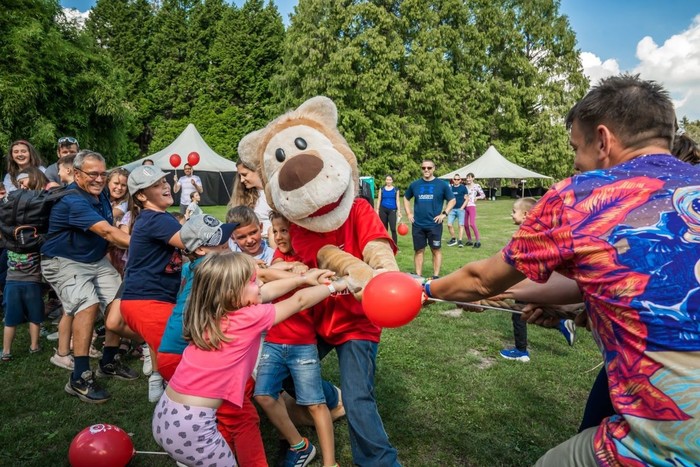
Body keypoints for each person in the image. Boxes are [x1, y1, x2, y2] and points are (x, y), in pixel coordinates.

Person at [425, 74, 700, 465]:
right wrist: (577, 310)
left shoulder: (581, 196)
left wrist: (426, 289)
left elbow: (481, 280)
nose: (574, 162)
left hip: (673, 439)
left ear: (602, 140)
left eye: (575, 147)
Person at [152, 252, 346, 467]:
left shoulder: (211, 314)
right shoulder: (246, 319)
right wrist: (335, 286)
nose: (260, 283)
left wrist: (303, 279)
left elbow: (265, 292)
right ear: (232, 293)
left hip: (166, 415)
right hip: (193, 428)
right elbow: (299, 301)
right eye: (253, 281)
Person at [157, 215, 271, 466]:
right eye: (220, 243)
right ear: (200, 250)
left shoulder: (195, 266)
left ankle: (211, 450)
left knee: (230, 410)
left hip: (174, 351)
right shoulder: (212, 271)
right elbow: (258, 275)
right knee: (241, 415)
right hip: (184, 353)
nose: (227, 246)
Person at [41, 150, 135, 404]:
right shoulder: (73, 200)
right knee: (87, 304)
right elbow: (108, 232)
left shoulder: (99, 193)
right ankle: (79, 377)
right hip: (63, 260)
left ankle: (109, 361)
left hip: (93, 260)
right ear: (76, 174)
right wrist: (152, 243)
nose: (100, 179)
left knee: (118, 303)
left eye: (103, 173)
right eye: (93, 174)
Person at [255, 212, 338, 467]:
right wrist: (295, 273)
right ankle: (300, 445)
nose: (279, 236)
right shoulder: (278, 260)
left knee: (315, 404)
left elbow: (311, 279)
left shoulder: (309, 260)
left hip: (302, 344)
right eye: (275, 231)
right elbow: (267, 274)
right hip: (273, 341)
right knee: (264, 395)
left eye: (285, 231)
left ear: (298, 233)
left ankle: (330, 463)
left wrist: (303, 271)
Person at [117, 165, 185, 403]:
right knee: (177, 359)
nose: (165, 186)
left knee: (175, 353)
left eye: (164, 181)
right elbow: (194, 243)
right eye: (156, 185)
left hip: (148, 300)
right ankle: (187, 409)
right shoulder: (157, 219)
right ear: (142, 196)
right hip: (148, 301)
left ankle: (173, 397)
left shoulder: (154, 218)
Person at [498, 197, 576, 363]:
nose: (511, 214)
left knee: (519, 314)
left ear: (526, 214)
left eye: (514, 211)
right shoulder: (539, 233)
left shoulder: (525, 236)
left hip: (526, 281)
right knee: (535, 309)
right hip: (535, 281)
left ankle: (521, 351)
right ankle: (561, 322)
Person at [403, 159, 455, 279]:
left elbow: (452, 200)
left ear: (434, 169)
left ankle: (435, 276)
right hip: (418, 224)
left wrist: (444, 214)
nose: (426, 170)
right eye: (423, 168)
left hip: (434, 224)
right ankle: (418, 276)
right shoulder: (415, 184)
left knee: (435, 250)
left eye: (429, 168)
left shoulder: (442, 185)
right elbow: (406, 198)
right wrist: (409, 213)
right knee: (419, 250)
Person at [229, 159, 274, 247]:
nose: (242, 180)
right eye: (240, 176)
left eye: (244, 175)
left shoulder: (274, 193)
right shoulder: (244, 196)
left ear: (258, 170)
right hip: (250, 243)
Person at [462, 172, 485, 248]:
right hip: (465, 207)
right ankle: (469, 240)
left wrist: (477, 197)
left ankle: (478, 241)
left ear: (473, 178)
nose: (468, 179)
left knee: (472, 223)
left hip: (472, 206)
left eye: (469, 177)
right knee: (465, 224)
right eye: (467, 178)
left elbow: (483, 195)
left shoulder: (476, 186)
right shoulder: (465, 187)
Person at [376, 175, 401, 244]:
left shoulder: (396, 190)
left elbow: (398, 200)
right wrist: (377, 210)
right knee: (384, 228)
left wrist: (399, 211)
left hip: (392, 210)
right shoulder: (382, 189)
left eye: (390, 180)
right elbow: (379, 199)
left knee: (393, 228)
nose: (388, 181)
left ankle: (395, 245)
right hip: (383, 210)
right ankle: (385, 244)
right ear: (385, 180)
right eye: (387, 180)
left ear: (392, 181)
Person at [446, 174, 467, 247]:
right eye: (455, 179)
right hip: (452, 209)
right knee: (449, 224)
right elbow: (448, 198)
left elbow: (467, 199)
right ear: (453, 180)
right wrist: (447, 208)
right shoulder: (450, 188)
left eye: (458, 179)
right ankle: (454, 239)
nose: (456, 181)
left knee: (461, 225)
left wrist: (462, 207)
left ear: (460, 180)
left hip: (460, 209)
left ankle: (460, 241)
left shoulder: (463, 187)